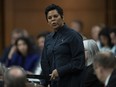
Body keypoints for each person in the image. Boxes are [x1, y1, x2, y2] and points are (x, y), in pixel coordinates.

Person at [40, 4, 85, 87]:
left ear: (62, 17)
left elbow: (79, 62)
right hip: (53, 84)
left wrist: (60, 71)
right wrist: (44, 82)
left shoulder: (74, 36)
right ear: (47, 22)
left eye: (55, 16)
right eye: (50, 18)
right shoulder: (48, 38)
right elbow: (44, 61)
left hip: (70, 83)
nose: (53, 19)